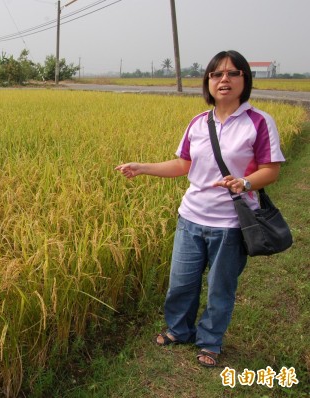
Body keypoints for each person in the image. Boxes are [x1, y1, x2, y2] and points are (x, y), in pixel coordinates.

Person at [115, 50, 285, 367]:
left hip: (232, 224)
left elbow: (271, 170)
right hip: (191, 218)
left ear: (244, 80)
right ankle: (179, 330)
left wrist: (245, 183)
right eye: (217, 74)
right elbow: (183, 164)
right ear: (208, 81)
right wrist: (143, 167)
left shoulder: (258, 123)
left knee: (220, 287)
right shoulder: (198, 122)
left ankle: (210, 342)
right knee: (181, 282)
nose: (224, 80)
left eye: (233, 73)